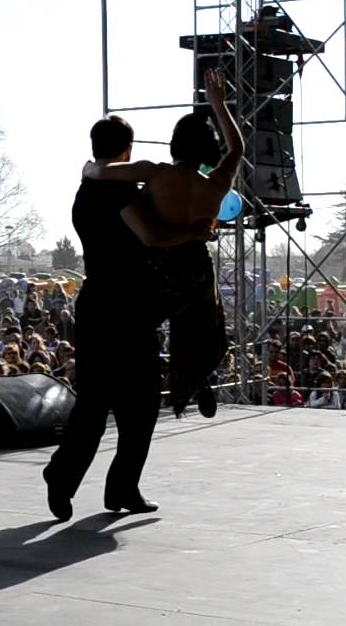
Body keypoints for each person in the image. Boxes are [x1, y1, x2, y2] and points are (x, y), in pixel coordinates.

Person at [43, 101, 218, 522]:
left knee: (95, 403)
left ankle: (66, 478)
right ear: (127, 150)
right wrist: (194, 230)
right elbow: (153, 235)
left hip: (96, 305)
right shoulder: (118, 191)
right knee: (138, 405)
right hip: (127, 309)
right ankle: (119, 486)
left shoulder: (84, 189)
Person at [81, 68, 243, 419]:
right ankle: (195, 379)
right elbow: (237, 149)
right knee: (201, 329)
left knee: (139, 327)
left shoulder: (155, 173)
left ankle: (135, 386)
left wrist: (87, 170)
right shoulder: (216, 185)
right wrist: (218, 104)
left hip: (159, 265)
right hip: (197, 268)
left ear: (175, 143)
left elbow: (104, 171)